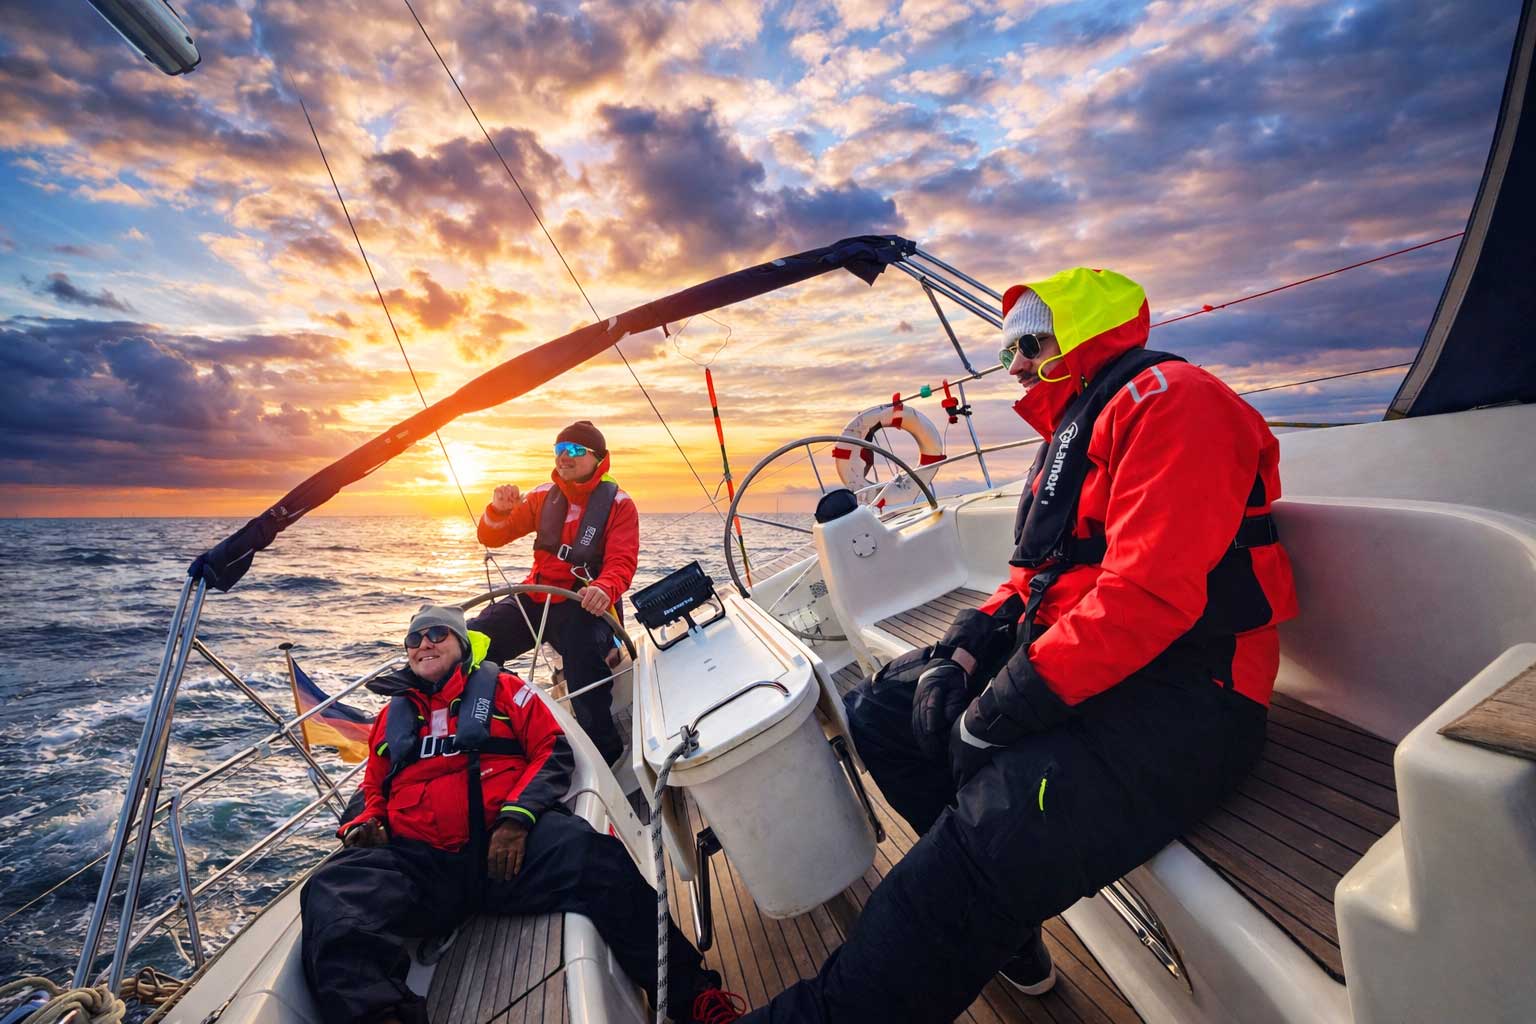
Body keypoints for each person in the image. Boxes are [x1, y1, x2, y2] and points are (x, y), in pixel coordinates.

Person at [744, 268, 1297, 1022]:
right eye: (1008, 350)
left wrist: (1001, 707)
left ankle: (974, 879)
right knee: (885, 711)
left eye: (1027, 345)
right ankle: (1004, 921)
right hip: (1094, 668)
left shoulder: (1175, 404)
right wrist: (963, 652)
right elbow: (1032, 580)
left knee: (981, 840)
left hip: (1191, 696)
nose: (1012, 367)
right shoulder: (1070, 433)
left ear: (1073, 338)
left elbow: (1147, 598)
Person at [300, 604, 741, 1024]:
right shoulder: (389, 718)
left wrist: (517, 819)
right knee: (330, 893)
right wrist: (367, 823)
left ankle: (696, 996)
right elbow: (372, 786)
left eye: (438, 633)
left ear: (462, 643)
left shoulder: (505, 690)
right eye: (415, 638)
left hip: (505, 852)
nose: (424, 643)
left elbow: (552, 751)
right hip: (418, 867)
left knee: (597, 858)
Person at [470, 421, 637, 767]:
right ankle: (496, 732)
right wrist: (499, 510)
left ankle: (604, 754)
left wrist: (603, 589)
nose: (565, 457)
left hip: (585, 602)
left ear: (598, 457)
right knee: (473, 642)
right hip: (537, 597)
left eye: (575, 451)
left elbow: (622, 562)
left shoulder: (619, 504)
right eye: (560, 450)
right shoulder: (543, 496)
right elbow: (492, 536)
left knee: (583, 660)